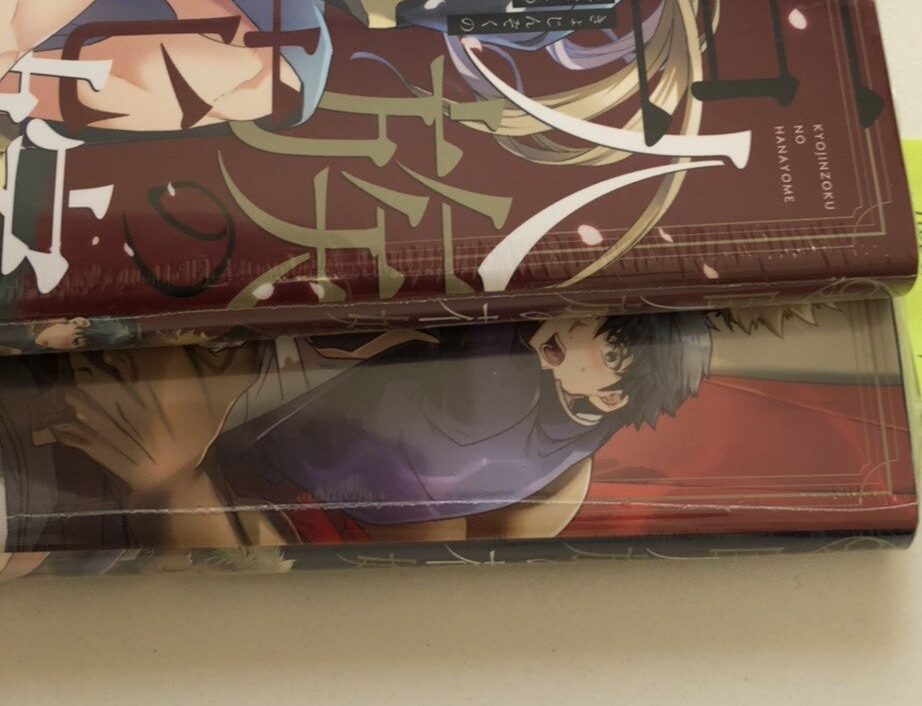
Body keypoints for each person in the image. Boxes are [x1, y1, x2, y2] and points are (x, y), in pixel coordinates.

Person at [8, 311, 714, 552]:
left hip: (218, 469)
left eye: (602, 348)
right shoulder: (518, 353)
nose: (568, 333)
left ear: (612, 393)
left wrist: (172, 489)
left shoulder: (551, 475)